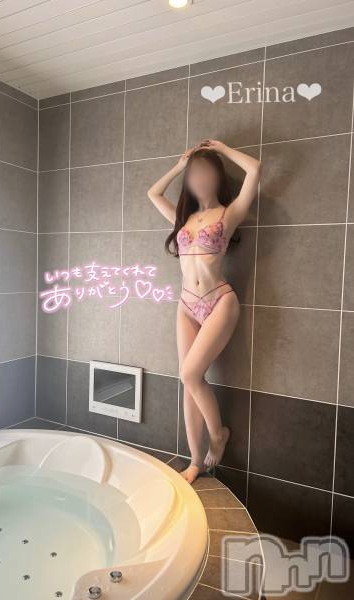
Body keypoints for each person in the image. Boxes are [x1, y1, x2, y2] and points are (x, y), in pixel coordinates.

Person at [147, 140, 261, 484]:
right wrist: (180, 165)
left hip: (219, 301)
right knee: (188, 382)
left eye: (205, 172)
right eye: (194, 174)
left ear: (217, 177)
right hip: (186, 305)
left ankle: (218, 434)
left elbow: (255, 168)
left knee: (190, 375)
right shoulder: (183, 218)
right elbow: (153, 193)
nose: (199, 178)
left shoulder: (230, 213)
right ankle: (195, 461)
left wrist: (222, 149)